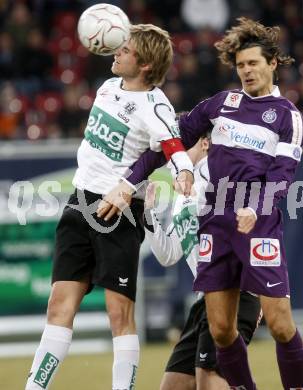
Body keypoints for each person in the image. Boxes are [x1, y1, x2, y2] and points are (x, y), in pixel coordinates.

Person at [113, 17, 303, 390]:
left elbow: (283, 173)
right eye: (240, 65)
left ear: (272, 63)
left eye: (253, 63)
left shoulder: (287, 116)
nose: (246, 71)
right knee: (221, 332)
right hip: (215, 223)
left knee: (281, 324)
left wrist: (257, 206)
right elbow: (169, 142)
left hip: (258, 223)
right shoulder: (221, 104)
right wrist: (129, 180)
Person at [25, 23, 194, 390]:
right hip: (79, 200)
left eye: (125, 49)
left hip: (119, 211)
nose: (115, 51)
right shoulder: (106, 87)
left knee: (119, 314)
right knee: (58, 306)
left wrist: (183, 172)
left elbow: (173, 146)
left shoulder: (156, 104)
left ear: (146, 64)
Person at [144, 135, 262, 390]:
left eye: (180, 146)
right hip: (205, 299)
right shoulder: (183, 192)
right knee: (173, 385)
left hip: (234, 292)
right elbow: (169, 255)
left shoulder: (218, 173)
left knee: (208, 378)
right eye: (169, 149)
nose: (173, 154)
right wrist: (148, 213)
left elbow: (246, 228)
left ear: (205, 143)